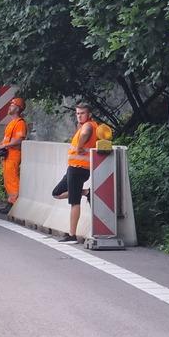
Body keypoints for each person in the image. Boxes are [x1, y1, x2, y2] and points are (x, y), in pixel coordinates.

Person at [52, 102, 98, 241]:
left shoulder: (88, 126)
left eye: (82, 113)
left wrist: (79, 146)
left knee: (74, 202)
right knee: (57, 193)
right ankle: (87, 192)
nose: (79, 116)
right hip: (75, 168)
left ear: (89, 114)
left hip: (78, 169)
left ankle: (72, 235)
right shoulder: (88, 125)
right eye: (77, 113)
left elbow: (85, 134)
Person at [0, 96, 27, 214]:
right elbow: (6, 140)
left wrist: (3, 146)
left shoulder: (20, 123)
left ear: (17, 108)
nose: (9, 107)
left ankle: (15, 204)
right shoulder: (11, 123)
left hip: (14, 155)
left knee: (13, 180)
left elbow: (19, 140)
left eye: (12, 105)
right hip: (8, 155)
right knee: (8, 180)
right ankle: (11, 202)